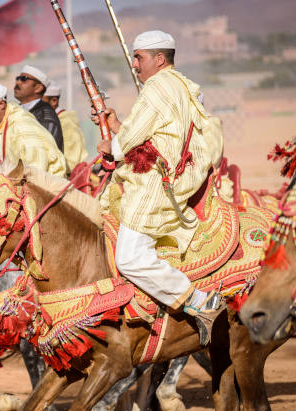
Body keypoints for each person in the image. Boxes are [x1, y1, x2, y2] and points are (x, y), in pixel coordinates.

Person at [94, 30, 224, 344]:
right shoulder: (183, 85)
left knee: (128, 258)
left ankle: (201, 303)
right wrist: (116, 127)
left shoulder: (155, 87)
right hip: (175, 177)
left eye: (139, 57)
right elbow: (157, 134)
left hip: (154, 182)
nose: (134, 64)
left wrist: (109, 144)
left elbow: (126, 143)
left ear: (159, 59)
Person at [13, 65, 64, 152]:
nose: (18, 82)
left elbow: (45, 153)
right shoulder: (14, 111)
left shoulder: (46, 116)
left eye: (24, 79)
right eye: (17, 78)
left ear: (38, 88)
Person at [42, 82, 88, 174]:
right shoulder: (50, 120)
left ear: (54, 101)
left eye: (40, 102)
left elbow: (71, 162)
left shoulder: (66, 123)